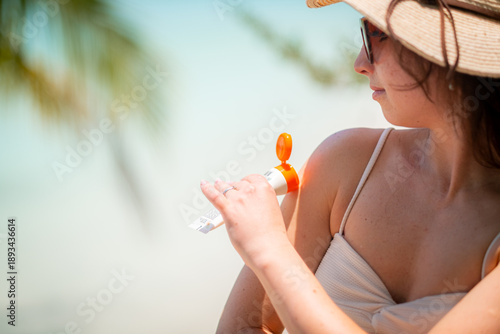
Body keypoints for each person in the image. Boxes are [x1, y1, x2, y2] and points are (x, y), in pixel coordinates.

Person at [200, 0, 500, 333]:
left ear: (447, 47)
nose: (360, 63)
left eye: (378, 35)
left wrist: (267, 249)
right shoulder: (346, 162)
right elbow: (246, 327)